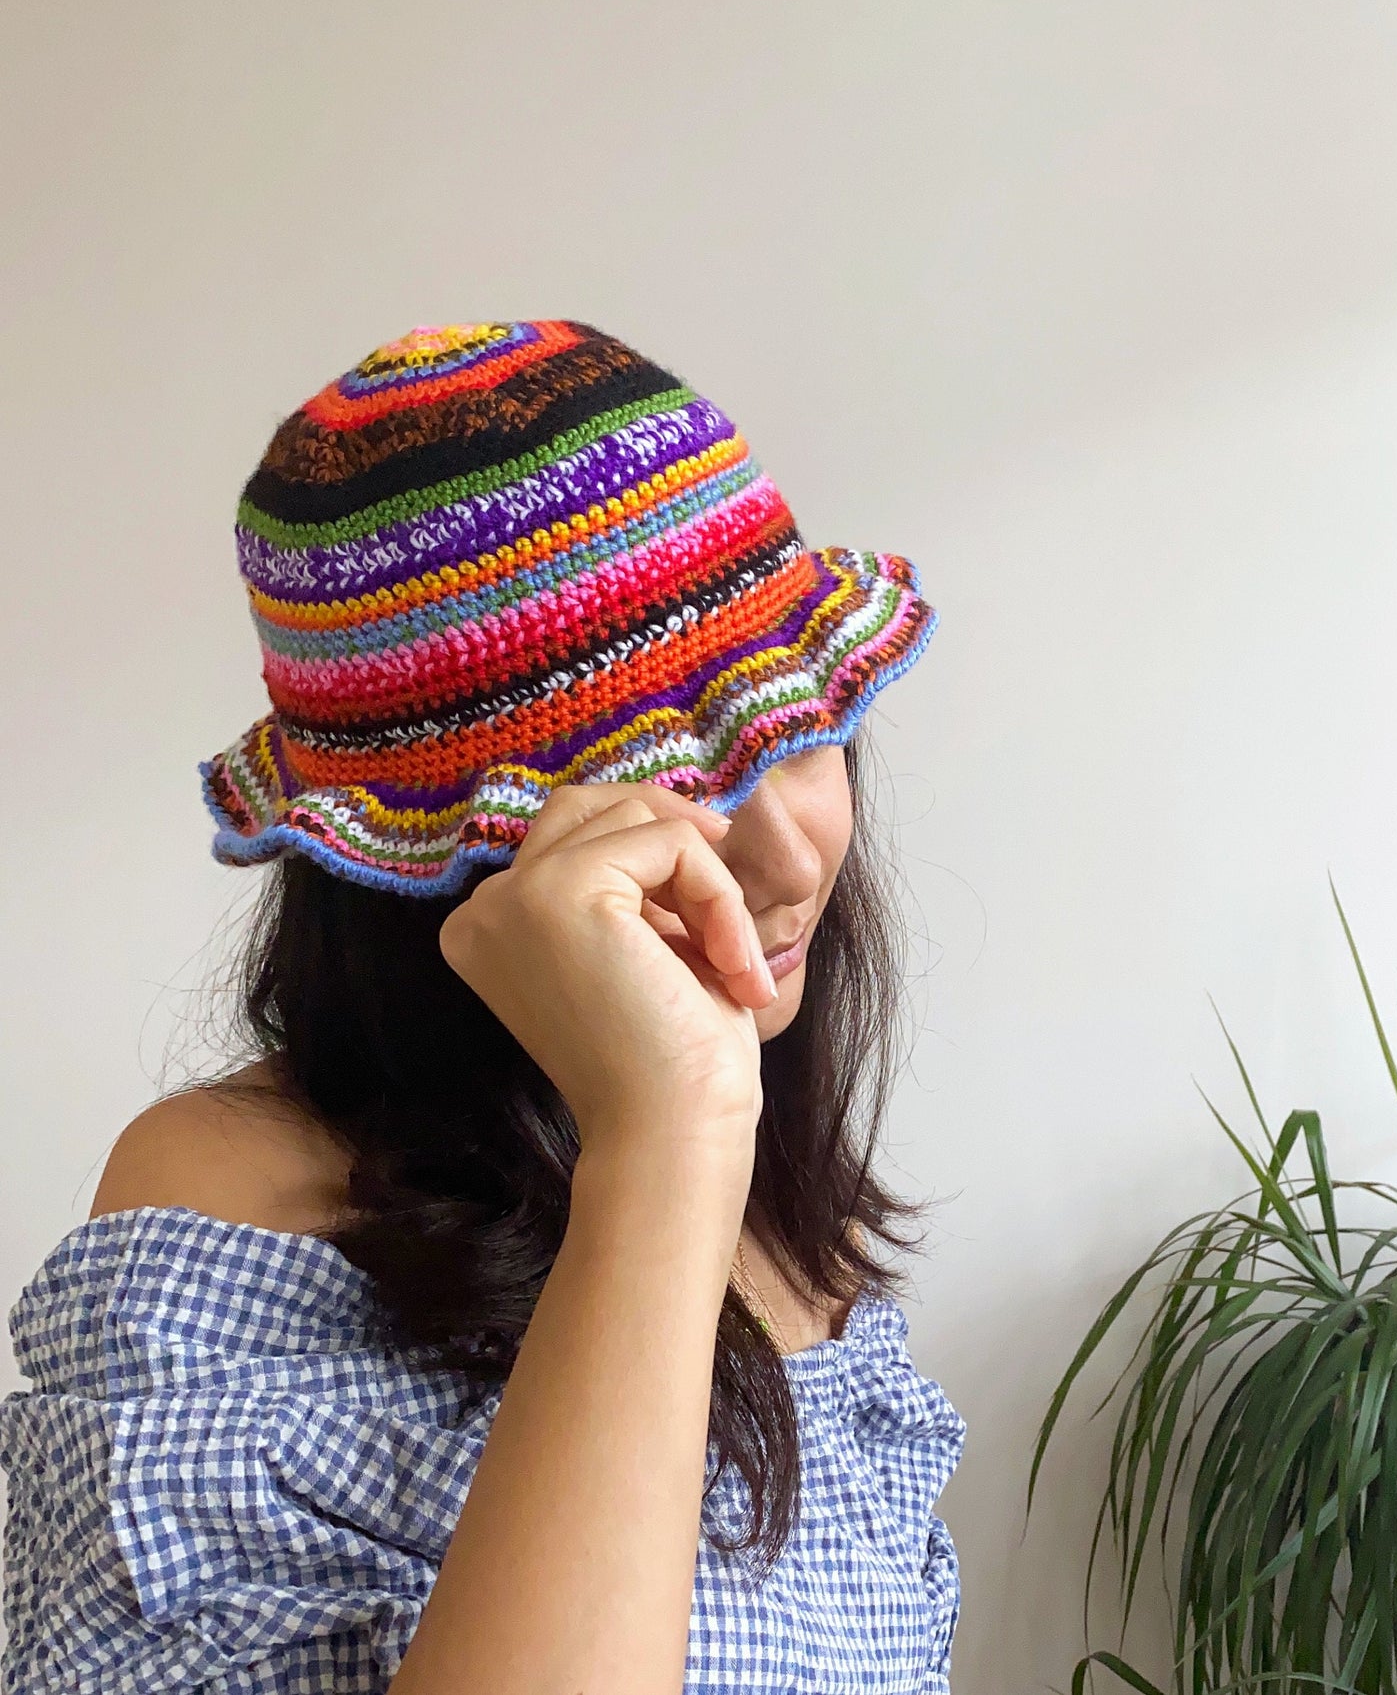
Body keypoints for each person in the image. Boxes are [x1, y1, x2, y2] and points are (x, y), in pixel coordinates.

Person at [0, 320, 966, 1693]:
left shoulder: (797, 1240)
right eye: (663, 783)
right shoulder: (230, 1210)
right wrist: (666, 1135)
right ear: (438, 868)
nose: (796, 853)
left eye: (797, 733)